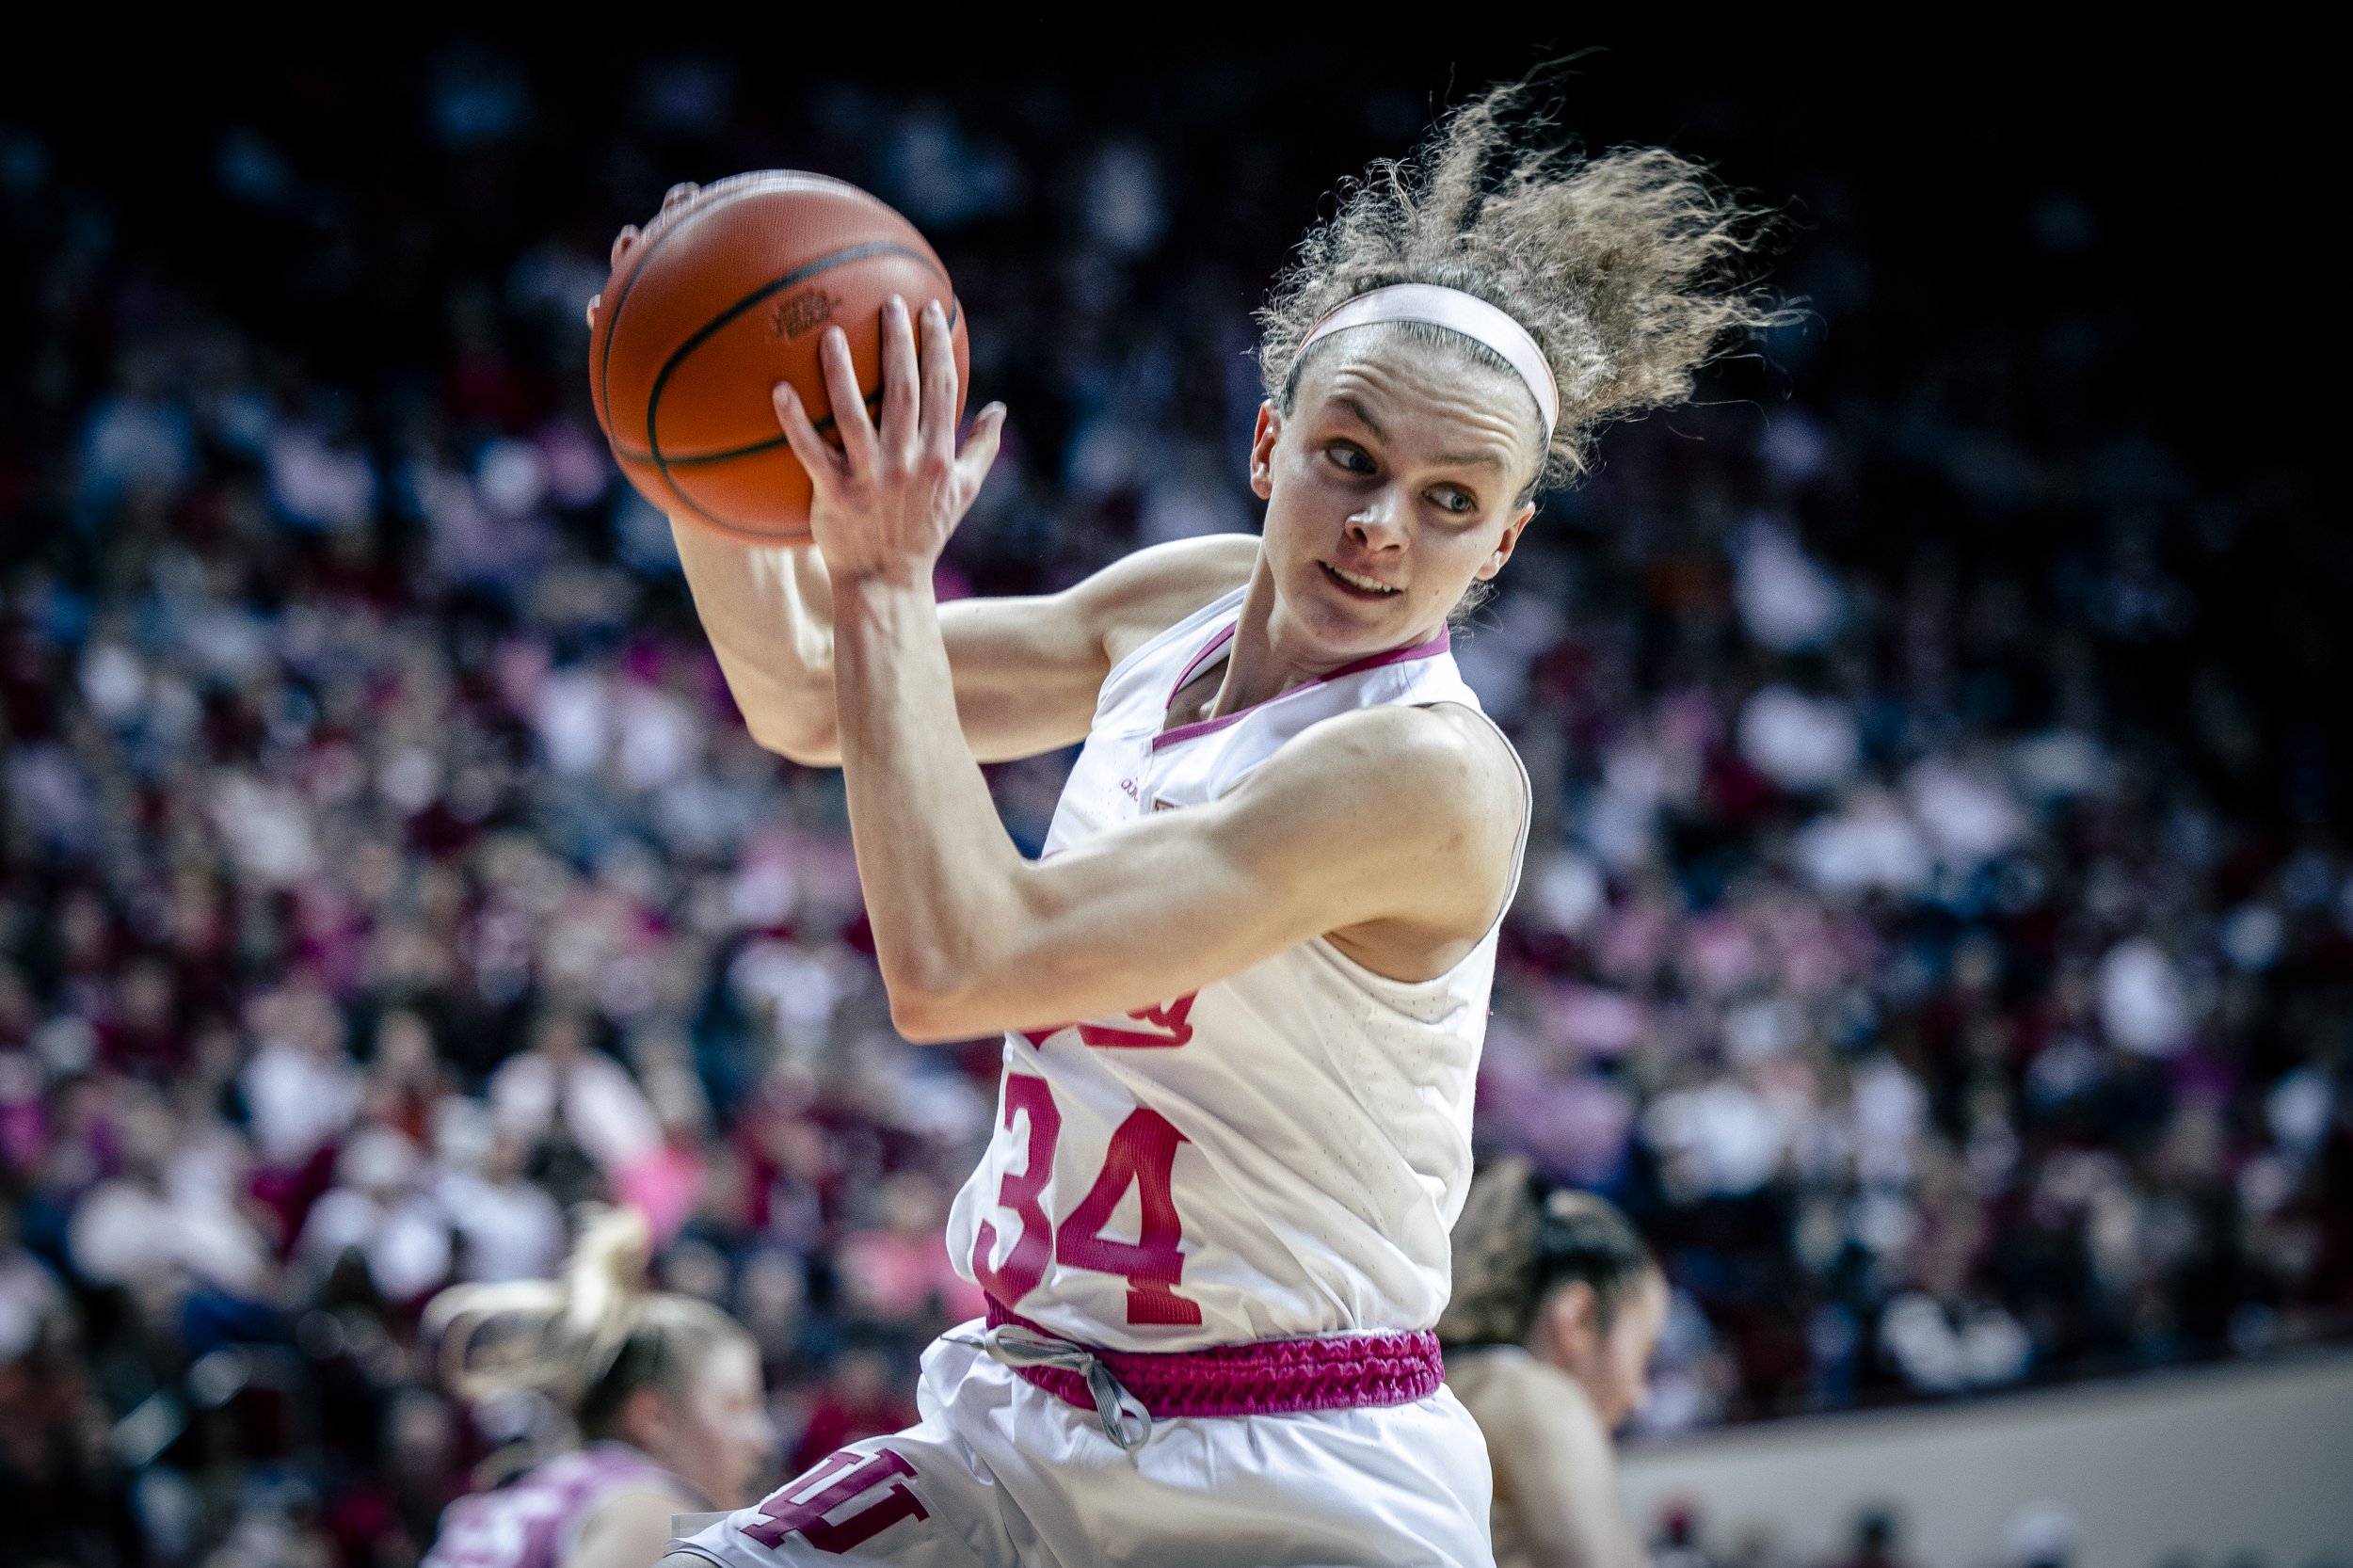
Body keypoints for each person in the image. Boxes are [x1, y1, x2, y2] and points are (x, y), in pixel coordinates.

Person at [648, 78, 1769, 1568]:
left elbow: (958, 964)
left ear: (1502, 541)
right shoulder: (1176, 605)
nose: (1383, 526)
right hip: (1022, 1414)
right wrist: (686, 431)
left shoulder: (1427, 778)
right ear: (1268, 446)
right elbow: (806, 692)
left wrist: (875, 579)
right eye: (1352, 459)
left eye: (1450, 501)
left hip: (1291, 1476)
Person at [422, 1206, 778, 1568]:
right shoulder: (650, 1514)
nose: (762, 1441)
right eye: (737, 1406)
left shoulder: (525, 1494)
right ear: (654, 1418)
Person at [1438, 1160, 1670, 1568]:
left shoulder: (1444, 1388)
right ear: (1576, 1319)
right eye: (1644, 1355)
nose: (1639, 1397)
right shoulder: (1535, 1397)